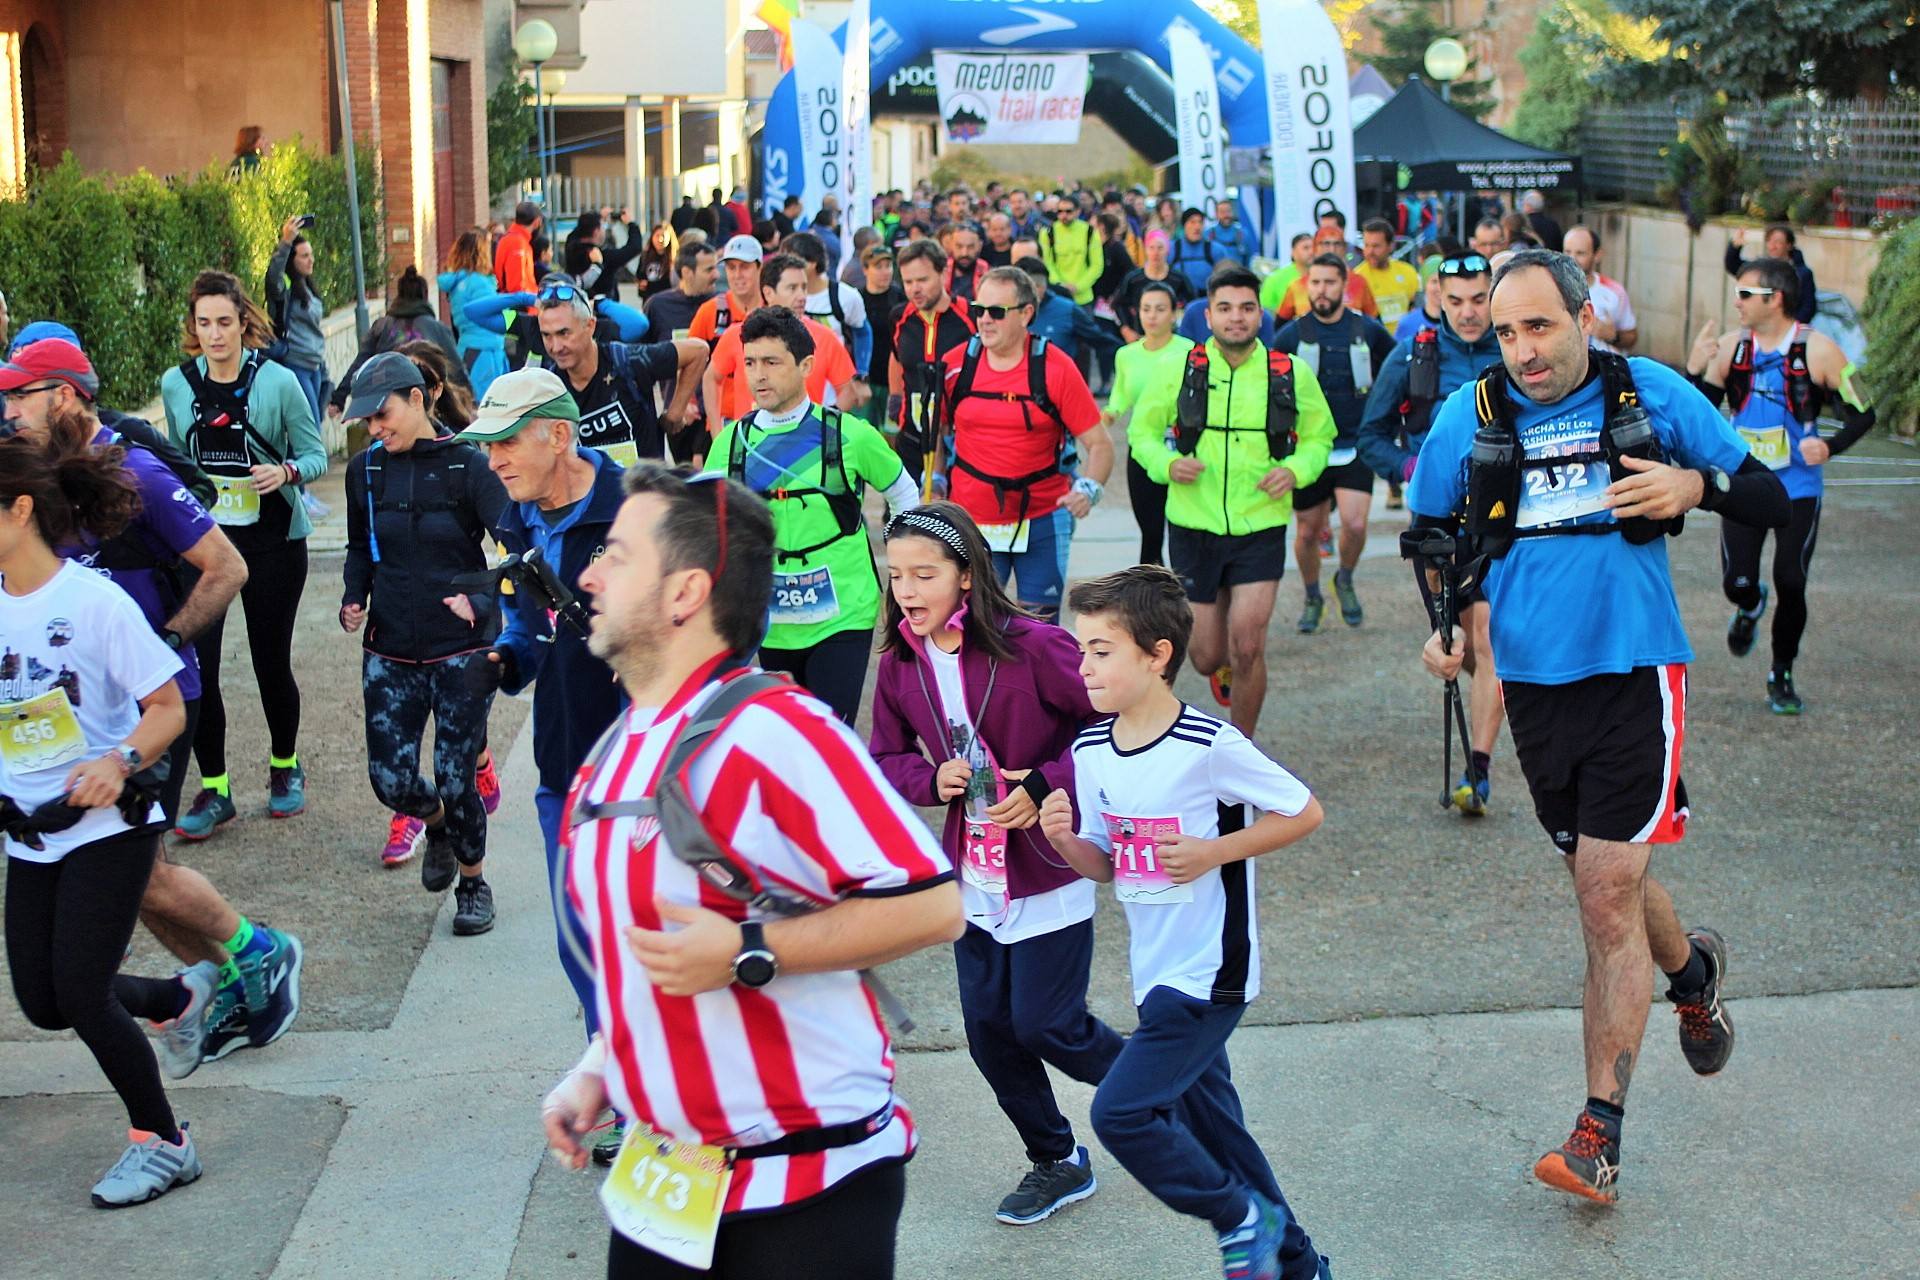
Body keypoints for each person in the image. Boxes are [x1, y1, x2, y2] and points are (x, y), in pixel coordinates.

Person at [1410, 248, 1789, 1205]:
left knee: (1606, 892)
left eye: (1540, 326)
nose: (1524, 351)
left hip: (1636, 672)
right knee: (1608, 879)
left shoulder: (1650, 393)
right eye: (1505, 332)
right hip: (1535, 685)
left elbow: (1767, 494)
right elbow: (1429, 533)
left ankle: (1597, 1137)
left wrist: (1692, 489)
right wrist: (1444, 625)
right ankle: (1693, 973)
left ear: (1586, 314)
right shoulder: (1472, 415)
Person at [539, 462, 962, 1278]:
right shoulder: (621, 744)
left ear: (684, 592)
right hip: (666, 1179)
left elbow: (933, 905)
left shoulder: (777, 731)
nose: (586, 572)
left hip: (806, 1191)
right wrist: (605, 1066)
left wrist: (745, 950)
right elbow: (649, 948)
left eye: (616, 555)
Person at [0, 333, 303, 1070]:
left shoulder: (134, 471)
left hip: (156, 704)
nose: (8, 411)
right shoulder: (42, 478)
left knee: (142, 873)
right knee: (126, 879)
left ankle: (257, 952)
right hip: (84, 715)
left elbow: (226, 569)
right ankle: (226, 979)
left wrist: (160, 644)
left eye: (20, 397)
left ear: (65, 396)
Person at [1041, 565, 1330, 1280]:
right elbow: (1108, 866)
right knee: (1221, 1136)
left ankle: (1239, 1218)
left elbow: (1303, 810)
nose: (1084, 667)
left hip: (1210, 976)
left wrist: (1213, 853)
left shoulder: (1208, 745)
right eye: (1081, 650)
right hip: (1155, 972)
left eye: (1101, 651)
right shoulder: (1090, 752)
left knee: (1120, 1114)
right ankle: (1299, 1266)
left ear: (1157, 655)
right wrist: (1065, 843)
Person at [869, 502, 1122, 1225]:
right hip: (971, 871)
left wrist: (1046, 783)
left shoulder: (1035, 645)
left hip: (1046, 858)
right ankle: (1058, 1160)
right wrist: (929, 781)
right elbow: (884, 757)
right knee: (988, 1030)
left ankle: (1157, 1081)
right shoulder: (897, 664)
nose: (908, 592)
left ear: (966, 576)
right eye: (896, 577)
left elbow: (1113, 721)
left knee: (1047, 1023)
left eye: (924, 574)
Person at [0, 422, 211, 1208]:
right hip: (31, 830)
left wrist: (116, 760)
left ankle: (165, 1141)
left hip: (110, 824)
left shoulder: (94, 604)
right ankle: (176, 1000)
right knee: (44, 1002)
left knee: (82, 992)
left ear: (21, 510)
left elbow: (164, 710)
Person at [455, 370, 626, 1057]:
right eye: (486, 445)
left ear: (559, 436)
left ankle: (659, 1101)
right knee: (579, 940)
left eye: (505, 443)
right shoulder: (513, 519)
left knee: (643, 943)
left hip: (640, 784)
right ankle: (621, 1087)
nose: (492, 462)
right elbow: (531, 633)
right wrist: (500, 661)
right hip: (562, 770)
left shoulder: (637, 513)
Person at [338, 354, 510, 941]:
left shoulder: (470, 466)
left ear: (417, 400)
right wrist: (352, 595)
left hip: (461, 652)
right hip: (389, 651)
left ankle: (473, 882)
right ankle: (434, 823)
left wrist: (484, 604)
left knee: (456, 775)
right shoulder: (364, 471)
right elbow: (360, 546)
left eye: (382, 415)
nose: (375, 429)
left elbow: (518, 548)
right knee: (390, 780)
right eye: (366, 422)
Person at [1127, 265, 1336, 735]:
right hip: (1192, 525)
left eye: (1246, 308)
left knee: (1249, 646)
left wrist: (1295, 471)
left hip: (1258, 525)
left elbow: (1321, 438)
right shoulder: (1177, 368)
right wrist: (1166, 465)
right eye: (1225, 308)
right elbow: (1140, 434)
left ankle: (1241, 755)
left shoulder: (1289, 372)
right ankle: (1219, 668)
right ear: (1208, 315)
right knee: (1205, 656)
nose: (1236, 318)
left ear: (1260, 313)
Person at [162, 271, 326, 838]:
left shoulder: (278, 382)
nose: (214, 335)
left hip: (274, 541)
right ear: (194, 327)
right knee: (199, 667)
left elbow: (314, 456)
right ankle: (215, 789)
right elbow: (177, 463)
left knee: (268, 661)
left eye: (224, 323)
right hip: (205, 546)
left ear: (243, 322)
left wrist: (283, 471)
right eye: (203, 323)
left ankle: (285, 768)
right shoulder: (176, 385)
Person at [707, 308, 918, 721]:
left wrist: (903, 568)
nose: (758, 374)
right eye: (749, 363)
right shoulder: (731, 443)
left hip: (844, 614)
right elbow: (704, 528)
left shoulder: (849, 434)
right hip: (769, 617)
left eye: (771, 362)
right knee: (786, 743)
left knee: (829, 735)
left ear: (805, 366)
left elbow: (904, 492)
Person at [1689, 256, 1878, 714]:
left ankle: (1781, 673)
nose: (1736, 302)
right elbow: (1695, 412)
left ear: (1775, 300)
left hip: (1797, 486)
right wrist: (1695, 371)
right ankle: (1750, 606)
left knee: (1791, 579)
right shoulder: (1733, 348)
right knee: (1737, 583)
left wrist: (1830, 447)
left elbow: (1865, 410)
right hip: (1745, 484)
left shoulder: (1818, 349)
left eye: (1745, 294)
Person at [1355, 252, 1504, 812]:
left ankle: (1479, 768)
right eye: (1456, 300)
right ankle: (1491, 687)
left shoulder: (1511, 352)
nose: (1468, 313)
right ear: (1437, 296)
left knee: (1490, 638)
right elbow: (1372, 434)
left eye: (1479, 299)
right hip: (1438, 527)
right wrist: (1408, 470)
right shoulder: (1413, 355)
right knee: (1456, 644)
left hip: (1500, 521)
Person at [939, 267, 1112, 623]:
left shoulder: (1056, 368)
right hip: (972, 518)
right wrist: (938, 479)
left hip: (1042, 518)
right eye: (979, 310)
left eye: (997, 312)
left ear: (1026, 314)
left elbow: (1100, 444)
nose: (985, 320)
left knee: (1040, 631)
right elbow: (933, 431)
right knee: (974, 628)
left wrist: (1089, 488)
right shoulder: (957, 365)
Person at [1275, 254, 1397, 633]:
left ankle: (1344, 577)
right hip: (1309, 448)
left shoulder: (1368, 330)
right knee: (1308, 532)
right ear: (1305, 285)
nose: (1321, 290)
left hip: (1355, 442)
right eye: (1315, 282)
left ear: (1345, 286)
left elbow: (1396, 371)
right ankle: (1313, 594)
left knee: (1356, 524)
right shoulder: (1291, 334)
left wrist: (1387, 420)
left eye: (1329, 282)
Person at [536, 279, 707, 468]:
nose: (556, 347)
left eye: (564, 333)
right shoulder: (552, 387)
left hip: (645, 490)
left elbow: (698, 351)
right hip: (596, 495)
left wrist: (674, 414)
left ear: (590, 326)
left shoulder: (628, 361)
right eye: (546, 335)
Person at [704, 254, 861, 426]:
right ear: (768, 293)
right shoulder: (738, 334)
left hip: (804, 446)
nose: (801, 296)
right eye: (792, 288)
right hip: (749, 445)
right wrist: (717, 434)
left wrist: (822, 428)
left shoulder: (824, 337)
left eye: (804, 287)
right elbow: (711, 378)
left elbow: (848, 391)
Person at [1103, 282, 1192, 566]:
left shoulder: (1191, 351)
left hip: (1183, 448)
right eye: (1146, 309)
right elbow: (1120, 395)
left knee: (1183, 526)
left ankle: (1188, 587)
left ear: (1174, 313)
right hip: (1142, 448)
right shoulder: (1126, 355)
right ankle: (1151, 594)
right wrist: (1110, 413)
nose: (1152, 316)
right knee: (1150, 529)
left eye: (1160, 309)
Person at [890, 240, 976, 488]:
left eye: (923, 280)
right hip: (911, 438)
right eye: (908, 282)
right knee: (904, 522)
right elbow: (896, 358)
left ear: (944, 273)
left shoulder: (971, 318)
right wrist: (895, 398)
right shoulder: (899, 317)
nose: (915, 289)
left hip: (956, 443)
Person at [330, 267, 464, 416]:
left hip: (385, 403)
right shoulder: (437, 329)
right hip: (426, 406)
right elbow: (456, 369)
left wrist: (339, 398)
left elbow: (361, 364)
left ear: (399, 295)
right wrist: (471, 402)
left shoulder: (381, 327)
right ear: (425, 296)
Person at [264, 218, 330, 423]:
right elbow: (273, 277)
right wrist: (286, 242)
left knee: (314, 423)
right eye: (304, 256)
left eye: (311, 255)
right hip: (295, 364)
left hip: (315, 365)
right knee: (310, 426)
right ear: (292, 260)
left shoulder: (309, 288)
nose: (311, 260)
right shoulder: (285, 290)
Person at [787, 230, 871, 380]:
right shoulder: (781, 294)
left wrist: (862, 371)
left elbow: (862, 332)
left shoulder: (845, 296)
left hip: (834, 387)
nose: (786, 268)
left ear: (812, 263)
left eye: (792, 262)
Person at [439, 229, 511, 398]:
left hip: (471, 347)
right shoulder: (478, 282)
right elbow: (494, 314)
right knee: (489, 404)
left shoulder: (459, 282)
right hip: (486, 351)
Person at [1017, 256, 1118, 365]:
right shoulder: (1004, 312)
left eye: (1038, 285)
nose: (1034, 291)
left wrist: (1133, 351)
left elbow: (1102, 341)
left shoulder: (1068, 310)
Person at [1274, 224, 1378, 322]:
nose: (1332, 249)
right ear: (1315, 248)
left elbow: (1375, 323)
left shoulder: (1359, 282)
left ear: (1344, 249)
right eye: (1325, 244)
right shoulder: (1297, 286)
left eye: (1337, 244)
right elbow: (1280, 326)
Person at [1562, 227, 1636, 354]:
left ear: (1597, 255)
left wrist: (1613, 336)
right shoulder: (1551, 289)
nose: (1572, 259)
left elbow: (1631, 336)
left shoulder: (1614, 291)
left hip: (1604, 370)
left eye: (1580, 253)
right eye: (1567, 252)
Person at [1723, 225, 1817, 325]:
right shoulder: (1760, 269)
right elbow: (1733, 266)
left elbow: (1808, 306)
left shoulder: (1802, 273)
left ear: (1789, 245)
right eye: (1769, 241)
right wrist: (1734, 247)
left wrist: (1790, 328)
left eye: (1778, 242)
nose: (1772, 246)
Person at [688, 235, 766, 353]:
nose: (737, 275)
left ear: (760, 267)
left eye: (745, 267)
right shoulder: (709, 311)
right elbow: (690, 360)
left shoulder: (774, 307)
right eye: (731, 267)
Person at [1115, 230, 1196, 344]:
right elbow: (1119, 304)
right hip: (1140, 337)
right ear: (1146, 250)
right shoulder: (1133, 279)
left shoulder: (1179, 279)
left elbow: (1192, 304)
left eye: (1160, 248)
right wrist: (1126, 329)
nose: (1155, 252)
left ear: (1167, 250)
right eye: (1151, 248)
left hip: (1172, 337)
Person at [857, 244, 906, 426]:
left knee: (892, 434)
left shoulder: (900, 298)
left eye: (888, 266)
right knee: (864, 430)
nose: (885, 272)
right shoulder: (857, 299)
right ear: (865, 270)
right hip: (866, 380)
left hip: (892, 382)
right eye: (879, 267)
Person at [1353, 218, 1421, 330]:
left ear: (1391, 246)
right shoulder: (1358, 277)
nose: (1370, 252)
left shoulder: (1408, 272)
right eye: (1366, 245)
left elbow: (1417, 309)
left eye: (1376, 246)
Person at [643, 241, 719, 341]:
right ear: (686, 273)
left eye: (716, 268)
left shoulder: (722, 304)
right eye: (709, 270)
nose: (717, 275)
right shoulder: (657, 306)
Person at [1038, 197, 1102, 306]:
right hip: (1057, 296)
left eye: (1068, 211)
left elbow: (1097, 265)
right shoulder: (1048, 233)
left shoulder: (1089, 232)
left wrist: (1078, 287)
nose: (1064, 215)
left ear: (1078, 211)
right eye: (1060, 211)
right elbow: (1046, 263)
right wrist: (1059, 285)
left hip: (1084, 298)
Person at [1168, 208, 1222, 294]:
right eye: (1192, 222)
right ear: (1184, 225)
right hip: (1179, 300)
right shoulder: (1171, 248)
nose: (1197, 227)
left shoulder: (1216, 250)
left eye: (1200, 222)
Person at [1259, 234, 1314, 315]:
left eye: (1314, 247)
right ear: (1293, 252)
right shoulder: (1275, 279)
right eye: (1306, 248)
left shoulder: (1325, 275)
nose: (1311, 252)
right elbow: (1265, 311)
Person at [496, 201, 543, 295]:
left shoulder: (513, 239)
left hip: (518, 301)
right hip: (520, 305)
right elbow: (516, 287)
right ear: (537, 222)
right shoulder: (518, 244)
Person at [1395, 255, 1445, 341]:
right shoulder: (1408, 323)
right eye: (1434, 281)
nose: (1440, 288)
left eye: (1443, 282)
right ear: (1425, 286)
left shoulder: (1458, 322)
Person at [1207, 198, 1257, 268]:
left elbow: (1249, 261)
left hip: (1238, 275)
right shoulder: (1208, 234)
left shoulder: (1243, 234)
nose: (1226, 215)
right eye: (1222, 212)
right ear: (1216, 214)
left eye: (1228, 211)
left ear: (1233, 212)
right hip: (1216, 276)